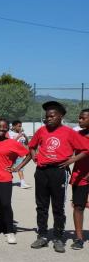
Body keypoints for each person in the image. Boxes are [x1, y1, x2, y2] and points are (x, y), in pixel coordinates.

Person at [16, 101, 89, 253]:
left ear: (60, 116)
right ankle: (42, 235)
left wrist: (71, 160)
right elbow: (32, 146)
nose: (48, 118)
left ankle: (57, 237)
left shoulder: (69, 132)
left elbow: (85, 149)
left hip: (58, 172)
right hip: (42, 172)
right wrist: (35, 156)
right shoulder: (42, 131)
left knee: (58, 207)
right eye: (47, 116)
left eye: (52, 116)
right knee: (41, 205)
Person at [68, 109, 89, 249]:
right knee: (78, 206)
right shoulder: (76, 135)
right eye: (79, 118)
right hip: (80, 177)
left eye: (83, 118)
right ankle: (79, 238)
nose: (79, 120)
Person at [9, 120, 31, 189]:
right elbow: (11, 143)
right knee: (10, 167)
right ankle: (9, 181)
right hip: (13, 154)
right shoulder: (10, 134)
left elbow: (26, 143)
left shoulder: (22, 133)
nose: (20, 127)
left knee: (20, 168)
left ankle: (22, 183)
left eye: (21, 126)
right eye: (19, 126)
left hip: (20, 154)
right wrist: (18, 136)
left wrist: (25, 136)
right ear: (14, 126)